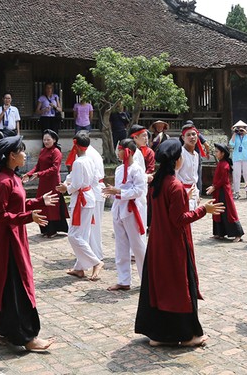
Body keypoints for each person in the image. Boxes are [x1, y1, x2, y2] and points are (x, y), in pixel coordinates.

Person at [134, 139, 224, 347]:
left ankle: (157, 334)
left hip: (158, 243)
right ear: (177, 161)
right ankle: (188, 335)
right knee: (178, 288)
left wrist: (184, 196)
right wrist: (204, 210)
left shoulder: (158, 181)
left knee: (159, 287)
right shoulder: (173, 185)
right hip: (173, 244)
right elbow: (179, 220)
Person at [0, 135, 56, 351]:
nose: (25, 154)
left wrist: (39, 202)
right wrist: (27, 217)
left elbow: (18, 203)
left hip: (17, 237)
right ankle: (25, 336)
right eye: (22, 151)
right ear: (12, 155)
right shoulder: (3, 181)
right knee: (16, 285)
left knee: (8, 284)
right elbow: (0, 215)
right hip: (9, 241)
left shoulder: (12, 177)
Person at [56, 132, 104, 280]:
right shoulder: (89, 159)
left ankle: (96, 262)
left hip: (82, 199)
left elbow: (76, 184)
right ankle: (80, 268)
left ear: (76, 145)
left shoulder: (79, 162)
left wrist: (66, 188)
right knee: (82, 234)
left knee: (73, 235)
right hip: (89, 197)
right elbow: (94, 178)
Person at [102, 139, 147, 292]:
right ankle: (123, 280)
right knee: (121, 246)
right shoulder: (119, 169)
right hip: (119, 210)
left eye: (120, 149)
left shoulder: (137, 170)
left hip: (132, 211)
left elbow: (139, 191)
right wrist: (111, 193)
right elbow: (118, 190)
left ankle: (146, 279)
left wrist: (119, 192)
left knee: (138, 246)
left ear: (128, 151)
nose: (118, 152)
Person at [22, 130, 69, 238]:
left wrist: (39, 174)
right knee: (42, 204)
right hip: (43, 182)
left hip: (52, 182)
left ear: (54, 140)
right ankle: (44, 228)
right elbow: (37, 166)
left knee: (52, 206)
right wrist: (29, 174)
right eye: (44, 139)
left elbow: (54, 168)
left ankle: (52, 230)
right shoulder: (43, 151)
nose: (46, 142)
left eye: (48, 139)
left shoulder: (56, 152)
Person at [206, 143, 244, 242]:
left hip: (224, 191)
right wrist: (213, 186)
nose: (215, 153)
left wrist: (213, 187)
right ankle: (220, 233)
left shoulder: (224, 165)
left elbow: (223, 180)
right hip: (219, 191)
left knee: (229, 212)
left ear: (222, 153)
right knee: (218, 211)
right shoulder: (221, 163)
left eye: (217, 151)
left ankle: (237, 234)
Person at [177, 124, 203, 211]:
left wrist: (197, 193)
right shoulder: (180, 153)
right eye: (188, 135)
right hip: (182, 191)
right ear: (183, 137)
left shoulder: (196, 154)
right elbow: (174, 174)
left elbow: (195, 176)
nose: (192, 137)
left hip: (193, 191)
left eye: (194, 134)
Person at [229, 120, 247, 200]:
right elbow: (231, 144)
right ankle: (236, 192)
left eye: (242, 128)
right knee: (236, 175)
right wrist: (234, 133)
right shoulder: (235, 136)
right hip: (237, 158)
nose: (240, 130)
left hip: (246, 157)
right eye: (238, 128)